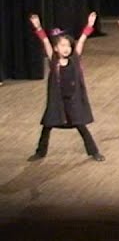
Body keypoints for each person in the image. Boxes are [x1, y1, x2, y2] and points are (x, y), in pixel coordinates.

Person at [27, 13, 104, 162]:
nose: (66, 49)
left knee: (81, 125)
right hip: (57, 100)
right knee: (48, 125)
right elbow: (44, 40)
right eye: (62, 46)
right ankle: (40, 152)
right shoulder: (53, 60)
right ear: (56, 48)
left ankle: (94, 152)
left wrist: (89, 25)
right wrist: (38, 27)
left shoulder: (74, 58)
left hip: (73, 100)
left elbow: (82, 39)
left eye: (68, 45)